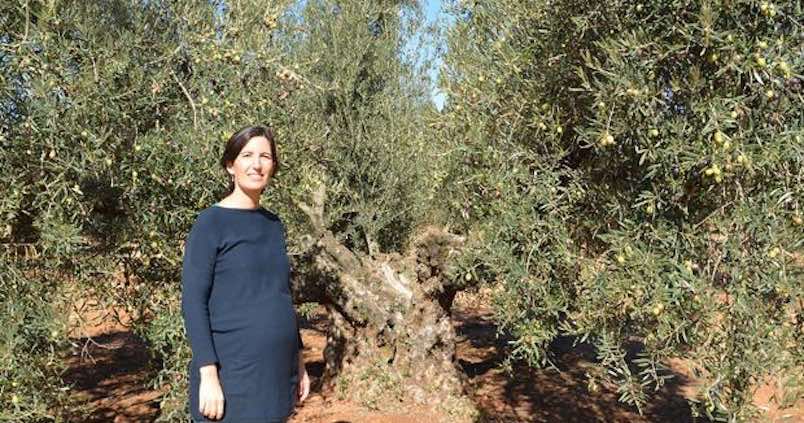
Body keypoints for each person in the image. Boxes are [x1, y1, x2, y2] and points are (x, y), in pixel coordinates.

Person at [181, 125, 310, 422]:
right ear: (231, 165)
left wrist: (299, 361)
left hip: (276, 375)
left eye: (265, 156)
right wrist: (208, 375)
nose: (257, 164)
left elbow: (281, 295)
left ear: (273, 166)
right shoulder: (210, 223)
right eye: (247, 155)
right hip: (232, 377)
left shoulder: (273, 224)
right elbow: (193, 302)